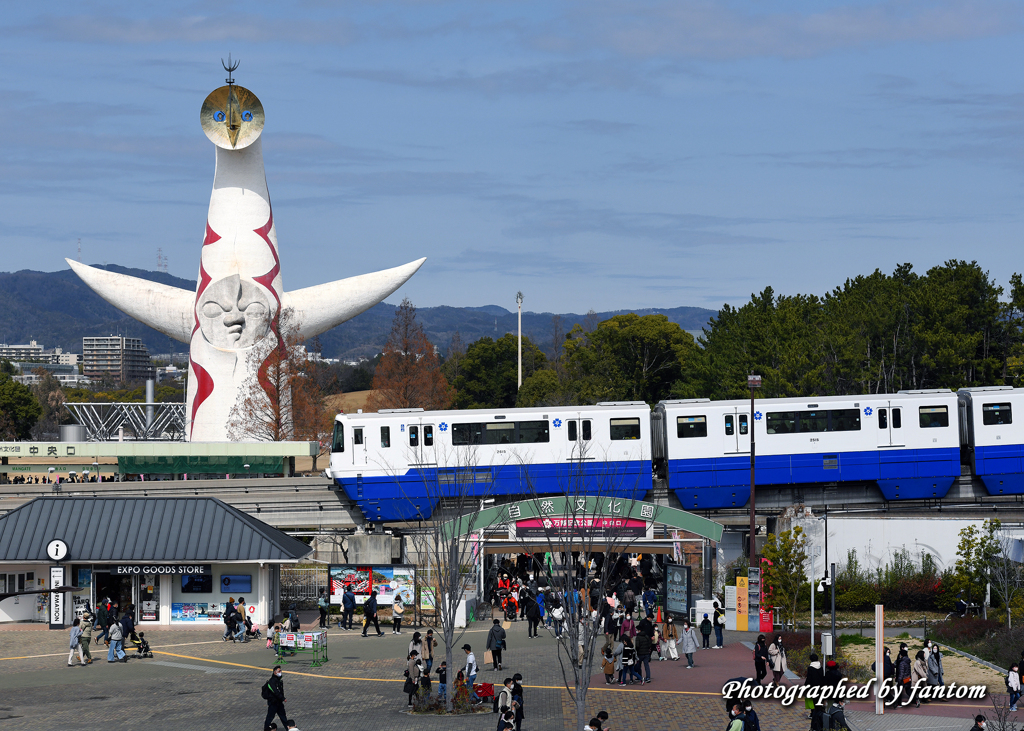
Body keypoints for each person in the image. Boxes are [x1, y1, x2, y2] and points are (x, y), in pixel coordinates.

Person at [263, 665, 288, 731]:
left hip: (279, 703)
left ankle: (288, 729)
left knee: (283, 717)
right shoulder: (272, 681)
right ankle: (266, 729)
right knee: (270, 717)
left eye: (280, 671)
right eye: (279, 671)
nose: (280, 672)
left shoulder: (278, 680)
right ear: (275, 672)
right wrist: (283, 698)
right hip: (273, 703)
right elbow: (275, 691)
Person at [804, 652, 823, 717]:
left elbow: (809, 678)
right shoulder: (821, 667)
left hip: (812, 686)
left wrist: (805, 686)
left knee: (812, 700)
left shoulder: (810, 668)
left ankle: (813, 713)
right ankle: (819, 713)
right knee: (819, 700)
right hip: (820, 686)